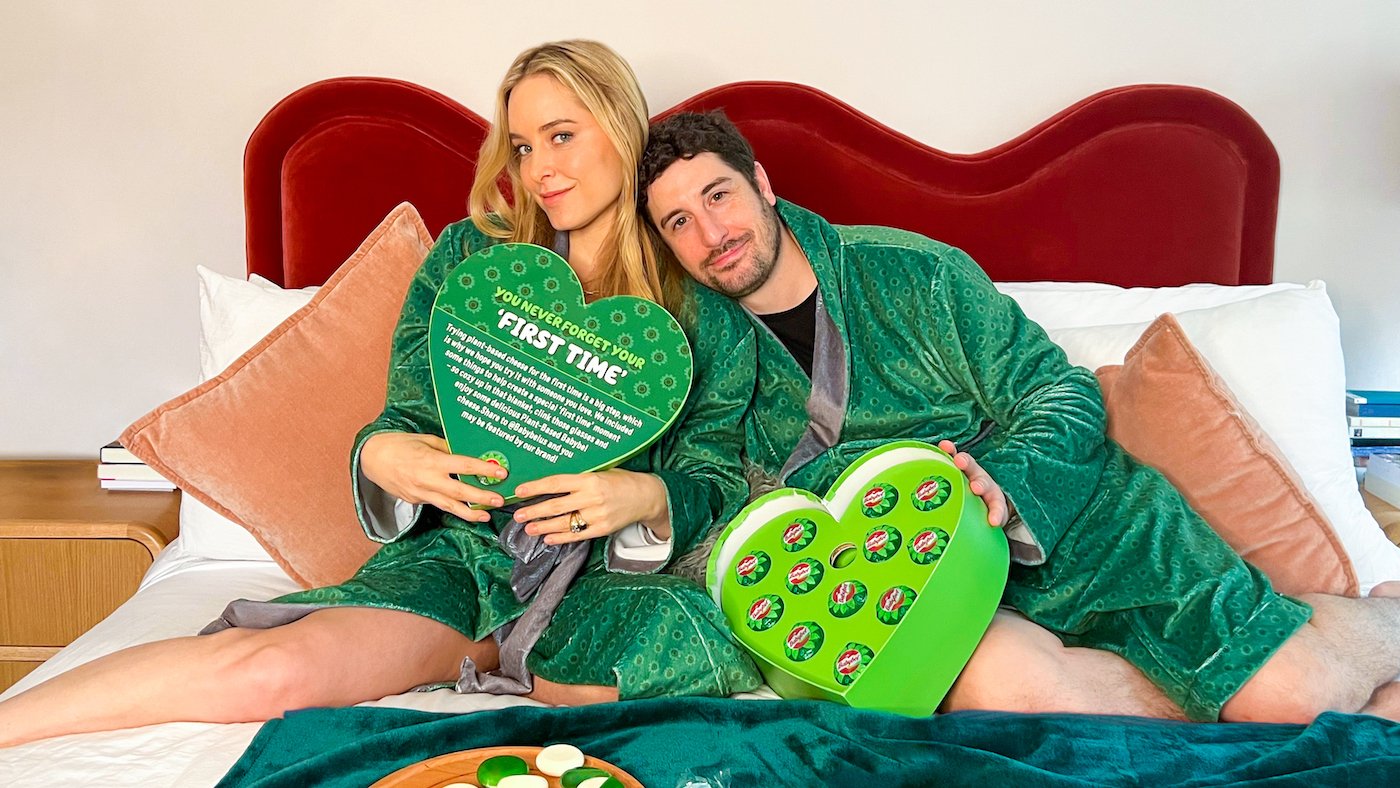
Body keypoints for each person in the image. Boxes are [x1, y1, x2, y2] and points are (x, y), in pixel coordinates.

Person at [0, 41, 760, 750]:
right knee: (269, 670)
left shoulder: (703, 309)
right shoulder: (472, 263)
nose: (539, 171)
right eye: (523, 147)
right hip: (462, 562)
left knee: (702, 655)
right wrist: (384, 457)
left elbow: (715, 477)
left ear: (622, 130)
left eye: (562, 137)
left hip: (604, 591)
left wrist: (644, 496)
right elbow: (405, 419)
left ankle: (531, 674)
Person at [638, 110, 1400, 724]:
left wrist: (1002, 480)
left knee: (1288, 700)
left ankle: (1369, 617)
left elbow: (1059, 393)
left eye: (718, 196)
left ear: (761, 185)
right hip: (933, 580)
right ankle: (1218, 680)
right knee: (1000, 695)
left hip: (1087, 524)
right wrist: (646, 499)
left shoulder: (914, 276)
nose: (711, 235)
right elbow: (707, 482)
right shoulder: (705, 351)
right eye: (678, 222)